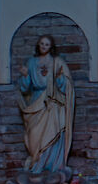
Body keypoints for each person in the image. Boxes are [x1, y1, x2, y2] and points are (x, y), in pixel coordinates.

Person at [14, 34, 73, 175]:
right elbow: (25, 88)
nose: (43, 47)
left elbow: (67, 86)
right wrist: (25, 75)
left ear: (51, 47)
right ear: (38, 45)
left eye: (46, 44)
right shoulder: (31, 62)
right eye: (41, 44)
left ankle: (51, 166)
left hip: (53, 103)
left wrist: (59, 78)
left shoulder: (58, 62)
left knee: (54, 132)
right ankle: (36, 161)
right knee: (34, 134)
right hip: (36, 101)